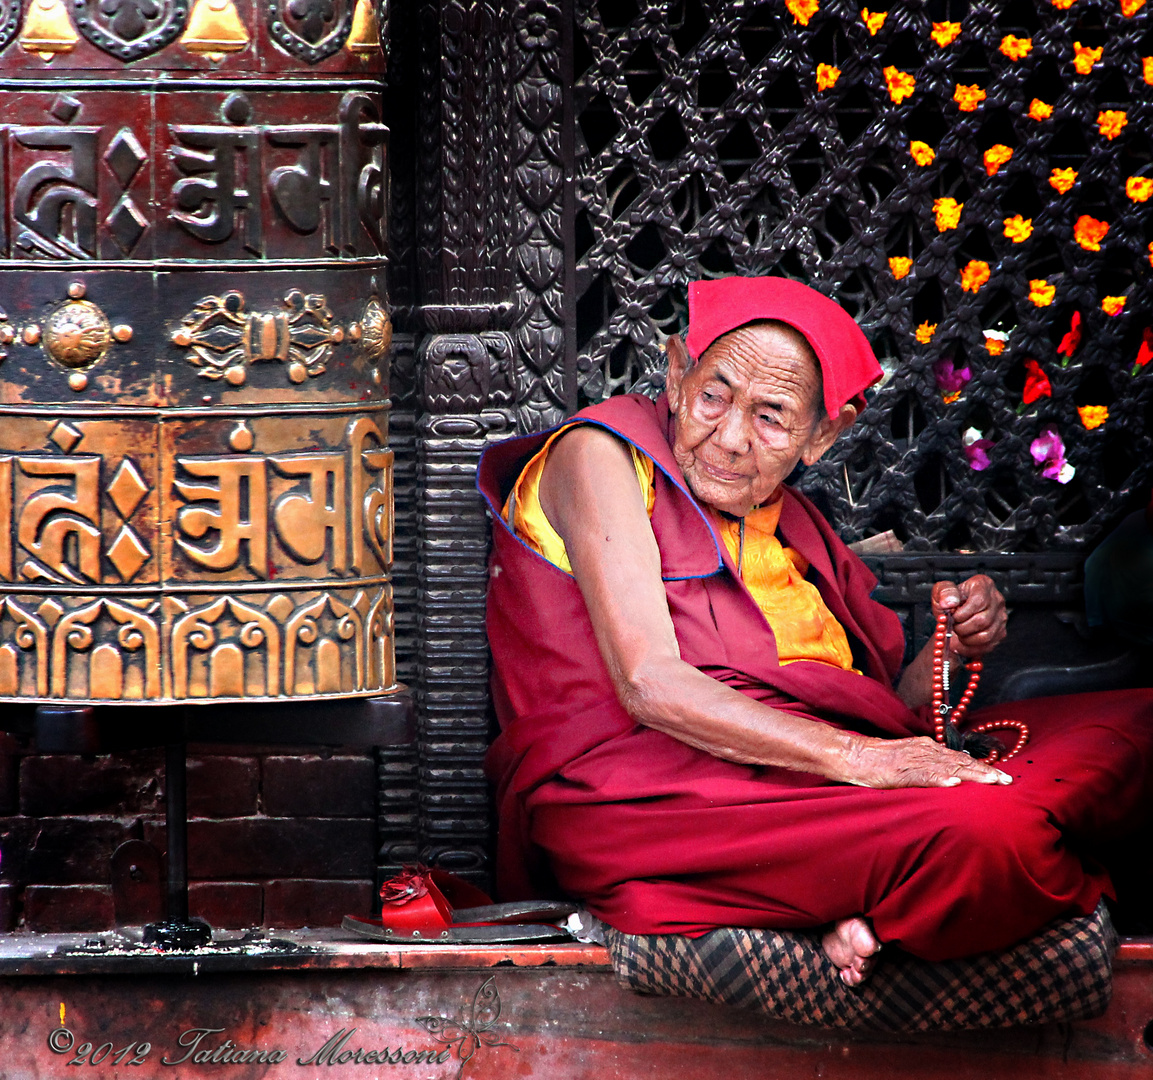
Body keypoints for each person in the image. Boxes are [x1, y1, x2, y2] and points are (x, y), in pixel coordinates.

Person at [478, 276, 1153, 986]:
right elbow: (650, 683)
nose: (730, 438)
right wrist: (867, 762)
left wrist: (950, 648)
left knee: (1137, 726)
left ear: (822, 434)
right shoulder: (602, 455)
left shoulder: (794, 529)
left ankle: (872, 904)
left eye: (771, 416)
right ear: (676, 376)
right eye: (713, 395)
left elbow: (882, 708)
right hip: (657, 802)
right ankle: (897, 906)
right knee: (995, 835)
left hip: (806, 787)